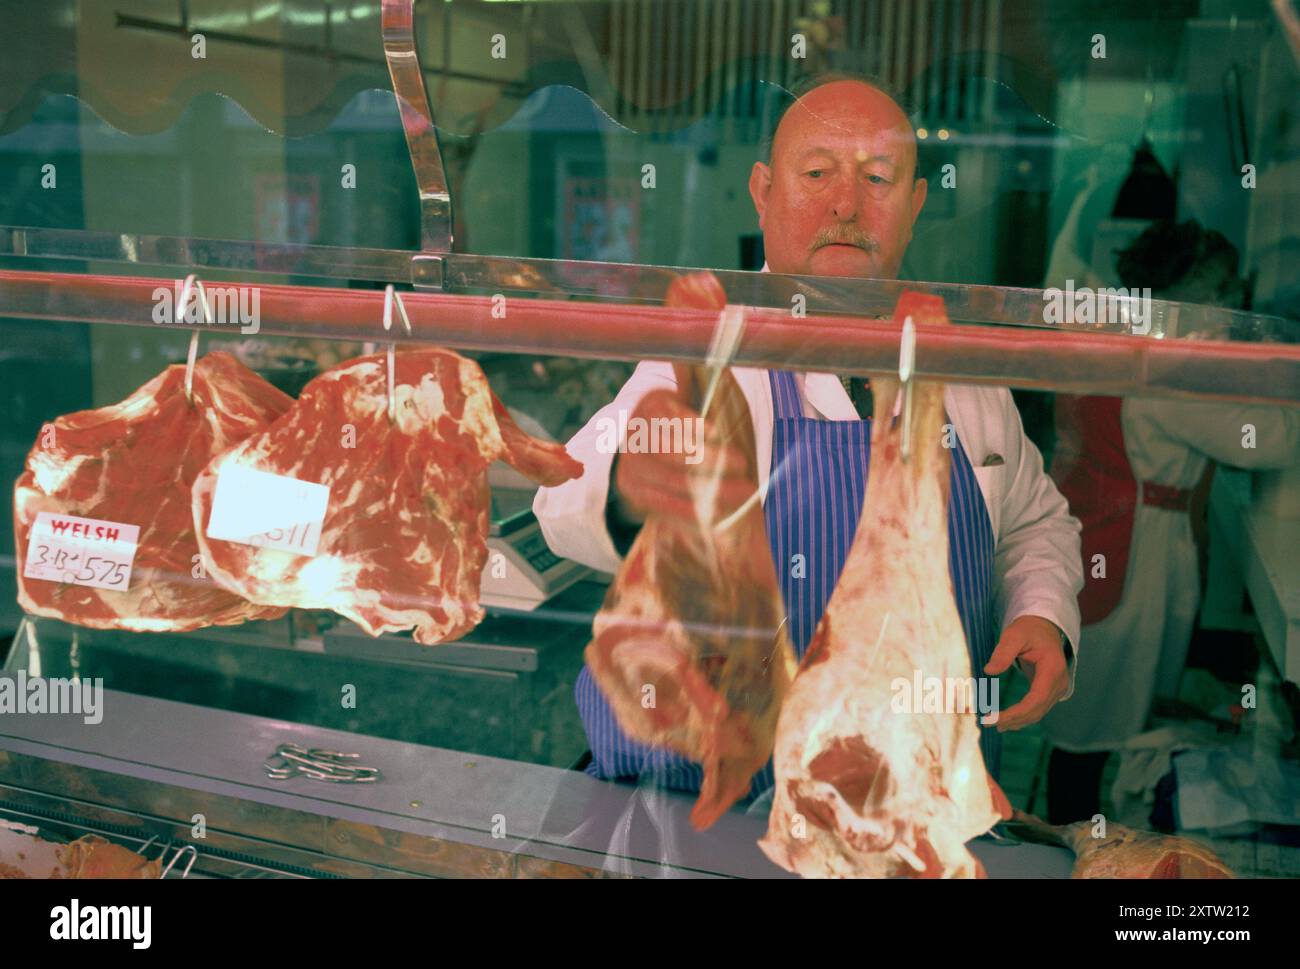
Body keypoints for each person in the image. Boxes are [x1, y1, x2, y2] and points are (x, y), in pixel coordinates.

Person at [534, 73, 1083, 801]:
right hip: (709, 812)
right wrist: (629, 486)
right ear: (763, 190)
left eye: (878, 177)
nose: (846, 204)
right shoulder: (706, 348)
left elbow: (1035, 520)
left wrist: (1042, 610)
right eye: (817, 172)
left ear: (915, 205)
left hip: (911, 809)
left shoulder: (964, 371)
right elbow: (564, 493)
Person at [1042, 219, 1300, 824]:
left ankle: (1078, 837)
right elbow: (1267, 441)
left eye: (1233, 284)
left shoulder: (1137, 340)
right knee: (1100, 723)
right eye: (1214, 287)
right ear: (1172, 288)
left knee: (1096, 711)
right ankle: (1074, 843)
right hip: (1137, 552)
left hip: (1111, 537)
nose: (1233, 300)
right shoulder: (1172, 369)